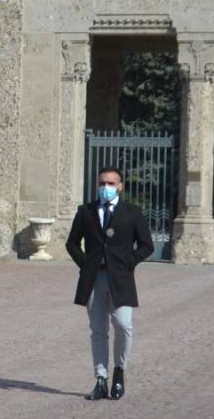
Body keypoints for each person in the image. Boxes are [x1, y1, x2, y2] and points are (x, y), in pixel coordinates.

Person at [64, 165, 155, 401]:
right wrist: (85, 264)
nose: (106, 187)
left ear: (120, 186)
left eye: (111, 183)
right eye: (102, 183)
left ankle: (119, 372)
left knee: (124, 326)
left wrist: (129, 262)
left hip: (121, 279)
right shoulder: (86, 211)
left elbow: (147, 245)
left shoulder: (132, 212)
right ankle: (100, 379)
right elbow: (72, 243)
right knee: (98, 331)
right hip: (94, 278)